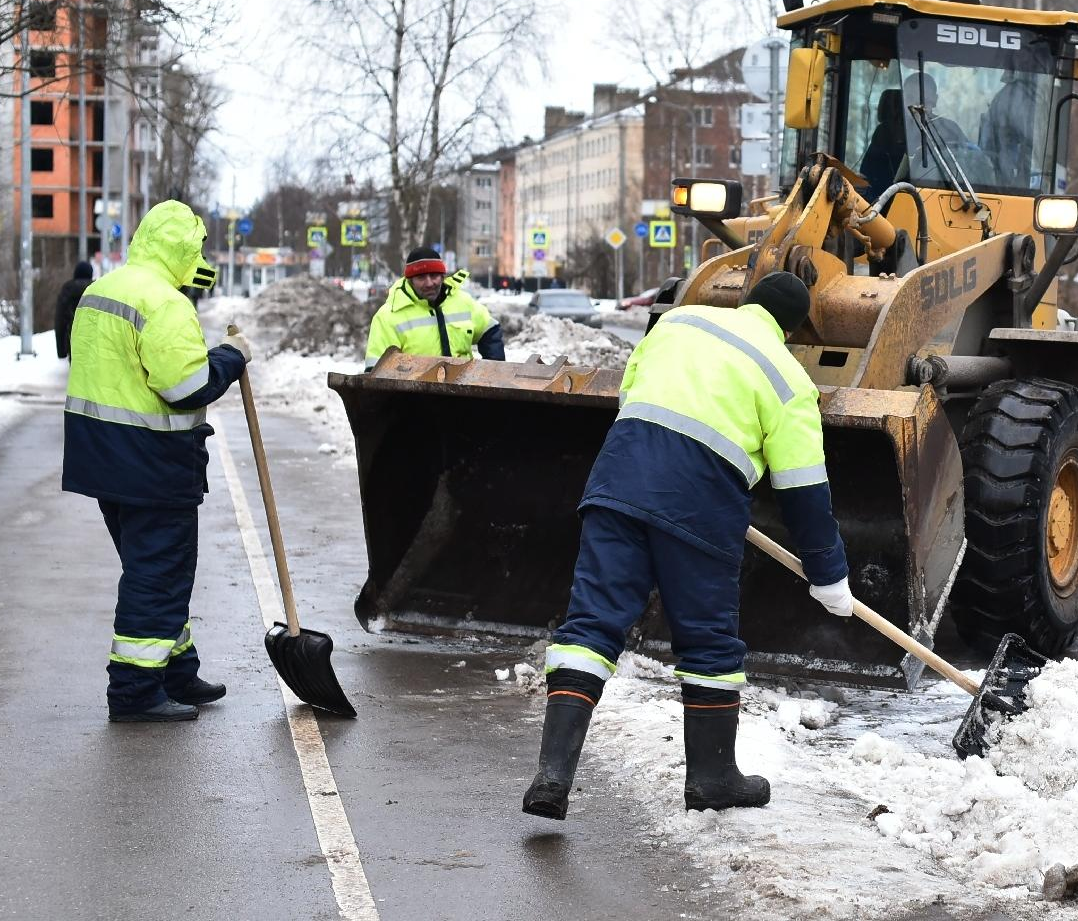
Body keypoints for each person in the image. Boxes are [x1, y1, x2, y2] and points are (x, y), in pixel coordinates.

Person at [522, 271, 851, 820]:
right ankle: (713, 778)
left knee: (590, 626)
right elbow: (804, 490)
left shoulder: (677, 322)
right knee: (708, 642)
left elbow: (635, 396)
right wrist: (828, 574)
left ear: (748, 302)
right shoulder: (789, 380)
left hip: (617, 486)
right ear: (791, 329)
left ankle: (552, 776)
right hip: (699, 509)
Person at [63, 199, 251, 723]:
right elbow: (186, 387)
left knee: (152, 571)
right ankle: (134, 691)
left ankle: (175, 670)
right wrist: (231, 358)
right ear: (184, 250)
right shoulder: (164, 303)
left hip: (103, 460)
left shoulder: (102, 290)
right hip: (152, 465)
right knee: (158, 574)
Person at [363, 246, 506, 370]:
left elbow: (490, 329)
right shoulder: (388, 316)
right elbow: (375, 370)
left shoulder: (463, 301)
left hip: (462, 396)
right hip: (413, 397)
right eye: (421, 278)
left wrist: (493, 371)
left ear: (443, 276)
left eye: (434, 275)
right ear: (410, 281)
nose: (429, 283)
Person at [856, 88, 907, 199]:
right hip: (880, 196)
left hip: (909, 193)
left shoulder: (928, 132)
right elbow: (867, 172)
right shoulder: (882, 132)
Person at [53, 260, 94, 360]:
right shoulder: (97, 288)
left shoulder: (67, 289)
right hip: (94, 340)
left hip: (72, 339)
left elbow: (60, 319)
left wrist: (61, 351)